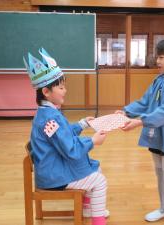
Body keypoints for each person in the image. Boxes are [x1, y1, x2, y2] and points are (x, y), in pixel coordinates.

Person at [24, 48, 108, 225]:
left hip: (52, 169)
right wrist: (93, 141)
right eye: (61, 87)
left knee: (95, 168)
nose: (65, 91)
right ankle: (98, 221)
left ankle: (86, 209)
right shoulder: (51, 118)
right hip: (54, 177)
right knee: (100, 180)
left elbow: (63, 135)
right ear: (46, 92)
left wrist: (82, 124)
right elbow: (70, 149)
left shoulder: (46, 112)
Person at [116, 37, 164, 225]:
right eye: (157, 57)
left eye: (162, 57)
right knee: (160, 174)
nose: (157, 61)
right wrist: (126, 111)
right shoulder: (159, 79)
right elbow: (145, 102)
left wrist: (139, 122)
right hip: (157, 135)